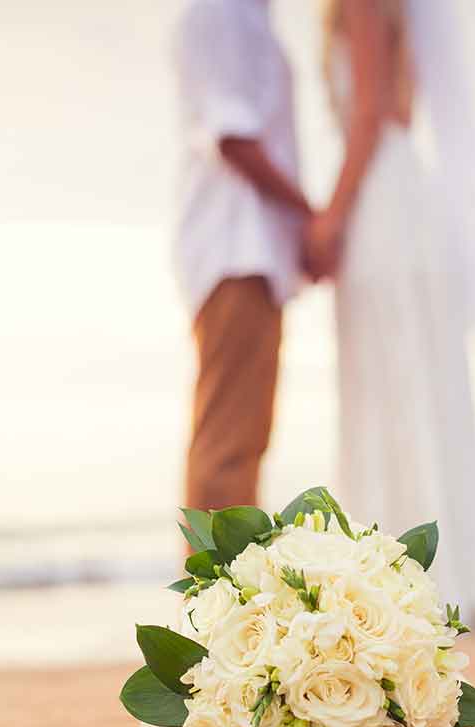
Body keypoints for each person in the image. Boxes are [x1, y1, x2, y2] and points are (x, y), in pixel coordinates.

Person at [307, 0, 475, 626]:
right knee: (416, 385)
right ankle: (443, 578)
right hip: (401, 198)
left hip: (381, 207)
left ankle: (400, 588)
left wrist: (330, 219)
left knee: (387, 387)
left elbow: (371, 115)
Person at [172, 0, 313, 515]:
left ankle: (227, 592)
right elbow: (231, 136)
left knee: (243, 442)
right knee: (228, 446)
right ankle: (213, 595)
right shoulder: (221, 11)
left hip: (252, 249)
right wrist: (310, 219)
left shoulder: (247, 14)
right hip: (236, 247)